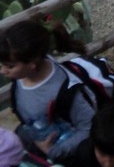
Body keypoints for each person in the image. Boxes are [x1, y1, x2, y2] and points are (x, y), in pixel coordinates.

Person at [0, 21, 94, 164]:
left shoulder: (67, 90)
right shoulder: (26, 71)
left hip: (61, 153)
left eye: (10, 66)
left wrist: (53, 151)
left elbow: (88, 128)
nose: (2, 71)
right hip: (35, 137)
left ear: (33, 64)